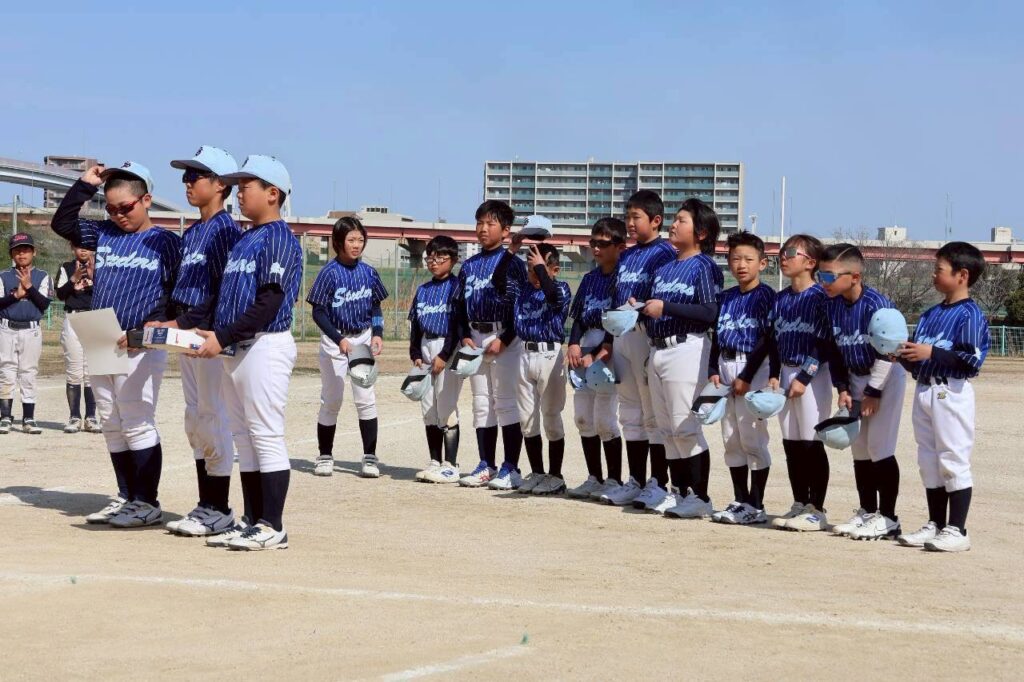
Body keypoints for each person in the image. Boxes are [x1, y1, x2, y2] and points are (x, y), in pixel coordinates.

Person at [51, 162, 182, 528]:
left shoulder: (167, 242)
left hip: (137, 340)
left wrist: (153, 326)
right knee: (110, 421)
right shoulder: (104, 233)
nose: (118, 215)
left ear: (147, 200)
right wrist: (84, 185)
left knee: (136, 420)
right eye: (110, 208)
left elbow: (176, 292)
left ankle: (146, 501)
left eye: (126, 207)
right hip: (101, 331)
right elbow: (62, 223)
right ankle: (126, 497)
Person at [186, 155, 302, 551]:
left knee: (265, 435)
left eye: (246, 186)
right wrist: (206, 328)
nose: (239, 193)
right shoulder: (245, 238)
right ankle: (253, 520)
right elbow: (227, 296)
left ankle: (273, 526)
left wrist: (223, 336)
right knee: (245, 437)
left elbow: (269, 302)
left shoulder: (278, 237)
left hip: (265, 344)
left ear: (272, 193)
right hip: (238, 347)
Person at [158, 146, 242, 537]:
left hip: (207, 336)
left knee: (212, 417)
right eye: (185, 176)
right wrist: (169, 320)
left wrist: (184, 321)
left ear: (220, 184)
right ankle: (205, 504)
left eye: (195, 176)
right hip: (186, 335)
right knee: (195, 419)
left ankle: (219, 507)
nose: (186, 183)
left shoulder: (226, 231)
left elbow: (220, 290)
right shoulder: (192, 233)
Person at [896, 242, 989, 553]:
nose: (933, 274)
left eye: (939, 269)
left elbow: (971, 361)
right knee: (928, 461)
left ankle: (957, 529)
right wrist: (901, 355)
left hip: (952, 390)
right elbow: (917, 360)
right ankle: (935, 524)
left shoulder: (970, 314)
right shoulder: (930, 314)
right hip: (924, 388)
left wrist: (931, 352)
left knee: (952, 459)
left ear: (962, 275)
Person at [636, 199, 722, 518]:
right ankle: (680, 492)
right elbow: (657, 308)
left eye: (681, 220)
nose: (674, 224)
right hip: (658, 348)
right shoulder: (665, 267)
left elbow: (710, 312)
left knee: (685, 426)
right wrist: (639, 307)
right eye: (675, 219)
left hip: (687, 348)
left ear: (701, 232)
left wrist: (666, 308)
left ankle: (700, 497)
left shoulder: (704, 266)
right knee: (667, 429)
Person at [817, 244, 906, 541]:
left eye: (829, 277)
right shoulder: (832, 304)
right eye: (820, 275)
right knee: (860, 448)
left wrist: (873, 391)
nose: (823, 282)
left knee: (880, 447)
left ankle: (889, 518)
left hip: (884, 378)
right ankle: (867, 511)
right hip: (855, 379)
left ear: (854, 276)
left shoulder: (877, 305)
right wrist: (842, 388)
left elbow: (890, 352)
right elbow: (833, 350)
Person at [600, 190, 677, 506]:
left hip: (646, 334)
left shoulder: (665, 253)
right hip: (622, 335)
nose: (630, 223)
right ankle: (635, 480)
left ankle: (658, 482)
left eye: (636, 217)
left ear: (656, 220)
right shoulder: (628, 255)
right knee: (629, 411)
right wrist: (608, 340)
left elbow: (664, 296)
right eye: (628, 216)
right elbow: (616, 295)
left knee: (652, 413)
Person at [307, 216, 388, 478]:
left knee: (365, 399)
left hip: (362, 339)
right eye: (351, 239)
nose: (356, 245)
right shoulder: (329, 273)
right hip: (335, 342)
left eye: (360, 240)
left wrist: (377, 333)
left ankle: (370, 457)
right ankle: (325, 455)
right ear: (338, 242)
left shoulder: (369, 272)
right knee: (332, 399)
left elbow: (376, 306)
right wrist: (338, 338)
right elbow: (318, 312)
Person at [456, 200, 528, 489]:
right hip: (475, 337)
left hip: (505, 338)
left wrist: (505, 339)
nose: (483, 229)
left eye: (490, 223)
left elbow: (522, 308)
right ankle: (486, 464)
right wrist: (464, 335)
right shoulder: (469, 265)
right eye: (480, 223)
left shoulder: (514, 265)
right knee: (481, 403)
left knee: (506, 402)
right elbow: (459, 306)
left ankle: (511, 467)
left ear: (506, 230)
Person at [707, 232, 777, 524]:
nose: (741, 265)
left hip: (753, 366)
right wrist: (712, 369)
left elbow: (767, 339)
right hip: (725, 365)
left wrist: (748, 376)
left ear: (763, 263)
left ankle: (756, 505)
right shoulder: (726, 297)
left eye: (749, 259)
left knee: (753, 437)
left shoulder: (767, 296)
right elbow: (716, 337)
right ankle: (740, 500)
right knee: (730, 437)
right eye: (735, 258)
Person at [769, 234, 834, 532]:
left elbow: (824, 342)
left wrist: (805, 377)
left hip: (813, 376)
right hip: (785, 371)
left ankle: (816, 509)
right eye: (783, 252)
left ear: (811, 262)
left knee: (811, 441)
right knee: (791, 442)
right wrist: (774, 373)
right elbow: (773, 340)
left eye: (792, 252)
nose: (784, 257)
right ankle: (799, 502)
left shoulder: (821, 296)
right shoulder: (781, 298)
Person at [566, 218, 625, 500]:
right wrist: (573, 344)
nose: (596, 249)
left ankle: (614, 480)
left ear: (619, 246)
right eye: (593, 243)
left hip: (607, 349)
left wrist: (597, 352)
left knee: (604, 420)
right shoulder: (590, 279)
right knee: (582, 418)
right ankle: (594, 478)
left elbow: (617, 323)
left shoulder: (622, 280)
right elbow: (578, 316)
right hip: (586, 346)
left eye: (603, 243)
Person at [513, 242, 572, 495]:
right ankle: (537, 472)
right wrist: (513, 249)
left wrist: (541, 270)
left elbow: (553, 298)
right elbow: (498, 280)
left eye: (539, 269)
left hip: (550, 354)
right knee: (527, 420)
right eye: (530, 270)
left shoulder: (561, 287)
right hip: (524, 353)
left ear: (554, 270)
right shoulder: (523, 289)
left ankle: (555, 475)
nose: (534, 275)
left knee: (551, 415)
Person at [409, 235, 464, 483]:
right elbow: (416, 326)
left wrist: (445, 354)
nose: (434, 261)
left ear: (453, 260)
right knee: (428, 408)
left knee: (446, 406)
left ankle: (450, 465)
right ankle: (434, 460)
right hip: (426, 346)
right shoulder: (423, 290)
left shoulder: (457, 287)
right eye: (430, 256)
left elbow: (458, 325)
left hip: (447, 347)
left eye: (441, 257)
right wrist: (415, 353)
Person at [0, 233, 52, 435]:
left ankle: (28, 418)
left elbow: (44, 304)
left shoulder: (42, 275)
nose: (22, 254)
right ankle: (5, 416)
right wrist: (16, 295)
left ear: (34, 252)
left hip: (31, 329)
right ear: (11, 254)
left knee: (28, 372)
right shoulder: (4, 275)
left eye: (26, 249)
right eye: (17, 250)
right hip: (6, 328)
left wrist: (29, 287)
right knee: (6, 371)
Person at [55, 245, 100, 433]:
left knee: (93, 371)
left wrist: (94, 275)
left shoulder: (101, 266)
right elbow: (60, 294)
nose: (83, 250)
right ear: (72, 247)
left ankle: (91, 417)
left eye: (87, 246)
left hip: (95, 317)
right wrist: (73, 278)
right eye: (78, 246)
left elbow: (110, 291)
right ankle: (74, 417)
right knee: (74, 370)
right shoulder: (66, 267)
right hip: (73, 317)